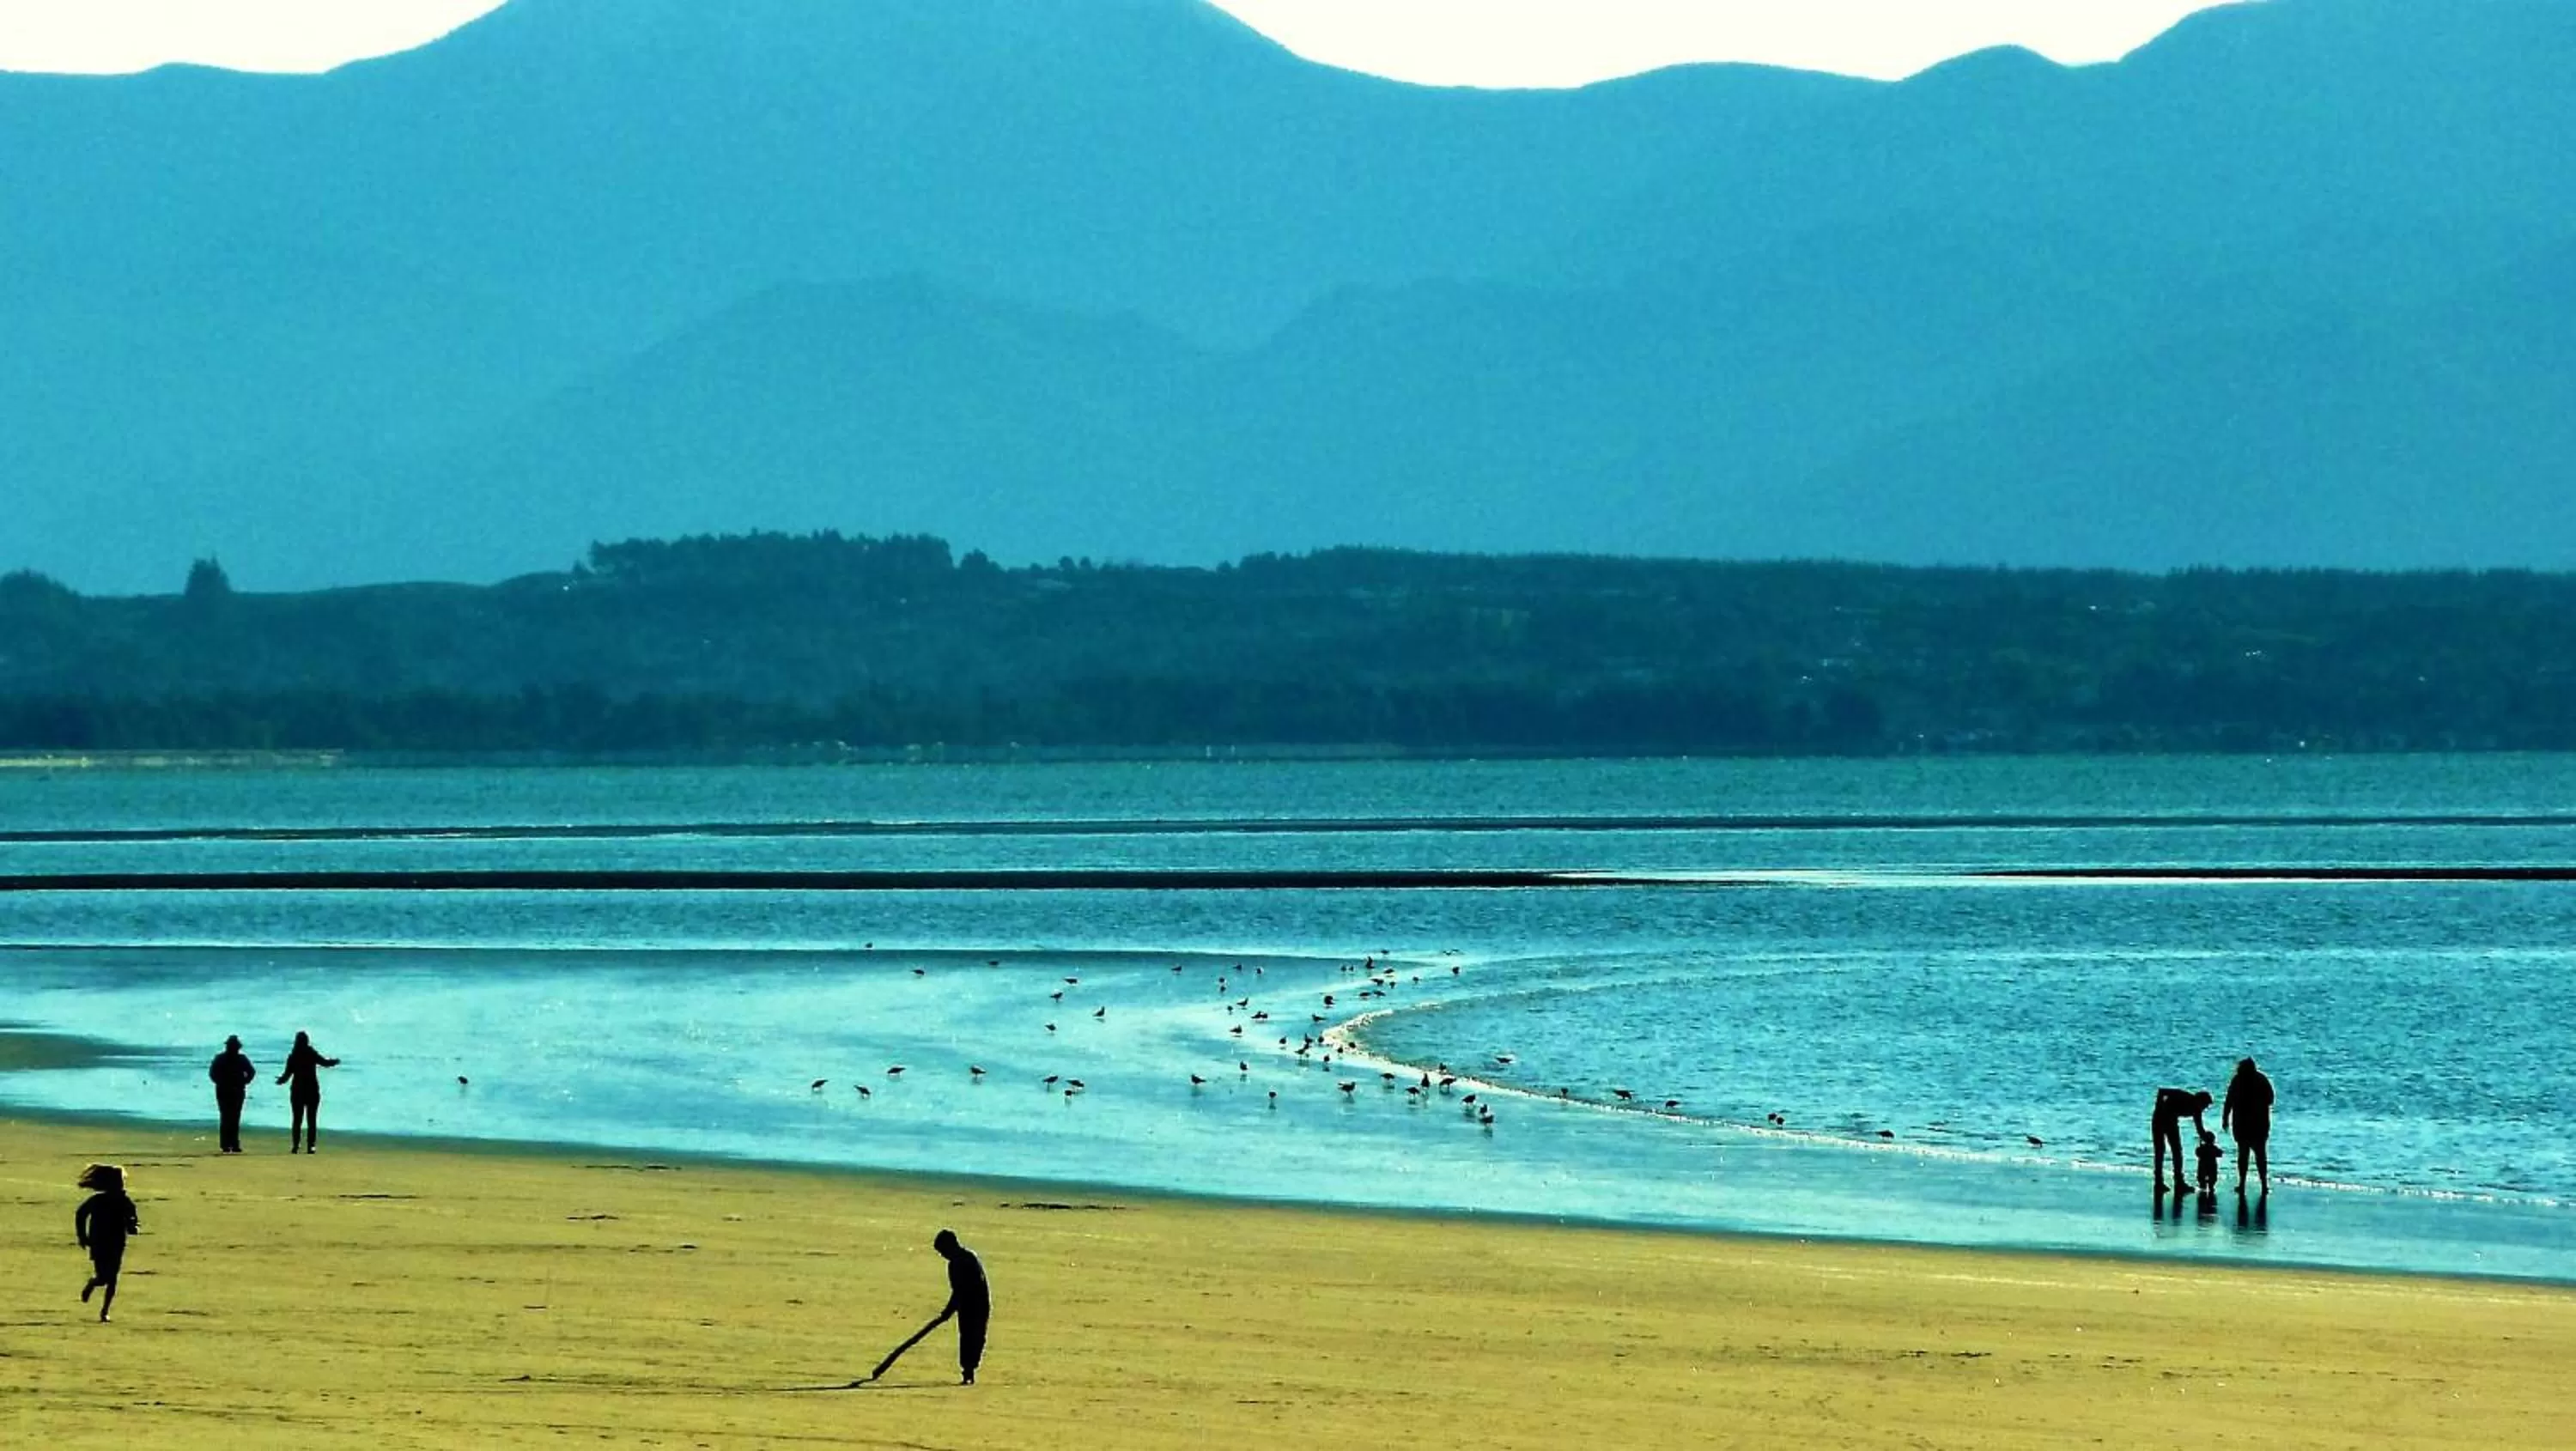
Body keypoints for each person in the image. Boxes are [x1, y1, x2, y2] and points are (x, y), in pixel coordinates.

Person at [76, 1163, 140, 1322]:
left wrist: (134, 1227)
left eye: (122, 1181)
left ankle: (104, 1312)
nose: (122, 1185)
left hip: (117, 1243)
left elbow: (133, 1220)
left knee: (113, 1278)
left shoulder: (126, 1202)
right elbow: (81, 1214)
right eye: (119, 1182)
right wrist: (82, 1236)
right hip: (99, 1242)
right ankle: (93, 1283)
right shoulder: (98, 1200)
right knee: (103, 1277)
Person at [930, 1229, 990, 1385]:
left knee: (975, 1337)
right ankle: (968, 1371)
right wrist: (949, 1311)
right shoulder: (958, 1262)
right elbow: (958, 1291)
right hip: (967, 1306)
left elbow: (962, 1290)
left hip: (977, 1305)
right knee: (968, 1338)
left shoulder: (964, 1261)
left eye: (942, 1251)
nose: (942, 1255)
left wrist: (948, 1311)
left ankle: (969, 1370)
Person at [276, 1030, 341, 1153]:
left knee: (297, 1119)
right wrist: (335, 1062)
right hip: (312, 1090)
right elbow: (325, 1063)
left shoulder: (293, 1056)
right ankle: (311, 1146)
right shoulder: (311, 1054)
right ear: (307, 1041)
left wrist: (280, 1081)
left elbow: (287, 1075)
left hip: (297, 1090)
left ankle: (296, 1146)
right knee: (312, 1119)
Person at [2223, 1056, 2275, 1197]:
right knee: (2260, 1155)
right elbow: (2270, 1099)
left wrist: (2225, 1118)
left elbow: (2229, 1101)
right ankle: (2263, 1184)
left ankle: (2243, 1184)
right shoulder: (2261, 1079)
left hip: (2243, 1123)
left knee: (2244, 1154)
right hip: (2259, 1123)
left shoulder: (2237, 1080)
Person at [2151, 1086, 2212, 1193]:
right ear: (2199, 1100)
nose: (2204, 1108)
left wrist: (2207, 1139)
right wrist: (2160, 1107)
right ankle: (2158, 1182)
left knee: (2177, 1151)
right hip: (2159, 1119)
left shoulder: (2197, 1110)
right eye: (2205, 1105)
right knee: (2160, 1151)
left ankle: (2179, 1182)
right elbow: (2162, 1091)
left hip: (2172, 1122)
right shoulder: (2184, 1096)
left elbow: (2199, 1128)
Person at [209, 1034, 257, 1153]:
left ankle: (226, 1144)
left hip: (224, 1089)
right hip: (236, 1089)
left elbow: (212, 1073)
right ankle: (233, 1144)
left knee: (226, 1116)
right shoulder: (241, 1059)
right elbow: (251, 1072)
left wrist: (219, 1082)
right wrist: (245, 1081)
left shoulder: (221, 1058)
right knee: (234, 1117)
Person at [2195, 1127, 2221, 1196]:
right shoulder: (2214, 1148)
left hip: (2202, 1165)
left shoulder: (2201, 1148)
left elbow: (2197, 1153)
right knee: (2212, 1178)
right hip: (2212, 1165)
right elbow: (2220, 1154)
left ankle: (2203, 1186)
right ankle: (2210, 1186)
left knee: (2201, 1177)